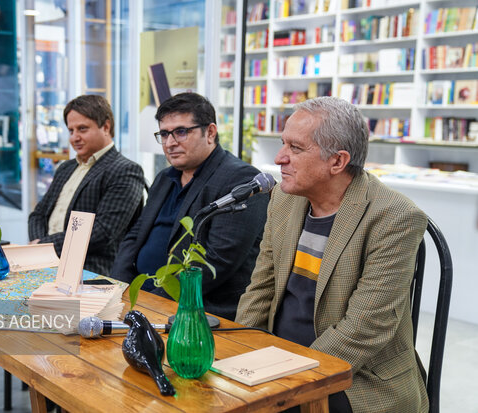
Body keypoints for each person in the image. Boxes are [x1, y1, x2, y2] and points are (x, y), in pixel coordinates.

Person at [235, 97, 428, 412]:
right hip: (276, 356)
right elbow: (261, 289)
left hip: (357, 377)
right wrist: (241, 350)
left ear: (337, 162)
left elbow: (363, 329)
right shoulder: (283, 199)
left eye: (295, 148)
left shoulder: (395, 217)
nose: (279, 157)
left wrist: (285, 376)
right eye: (283, 144)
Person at [110, 92, 269, 321]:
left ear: (210, 132)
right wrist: (120, 288)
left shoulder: (240, 181)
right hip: (142, 301)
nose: (170, 143)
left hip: (198, 312)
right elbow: (135, 236)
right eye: (164, 134)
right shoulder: (165, 177)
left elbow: (217, 262)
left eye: (181, 132)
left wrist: (152, 302)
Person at [28, 95, 145, 275]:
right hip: (45, 263)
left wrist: (44, 247)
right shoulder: (66, 168)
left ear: (106, 127)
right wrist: (39, 247)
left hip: (90, 273)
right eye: (71, 130)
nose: (75, 137)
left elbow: (102, 232)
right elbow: (38, 214)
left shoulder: (125, 171)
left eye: (82, 129)